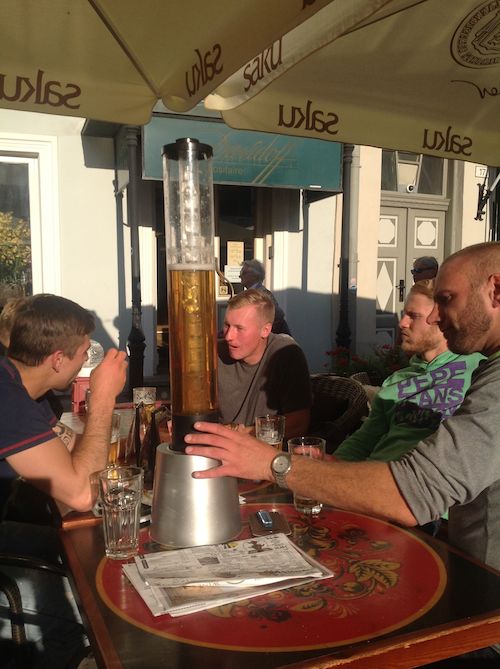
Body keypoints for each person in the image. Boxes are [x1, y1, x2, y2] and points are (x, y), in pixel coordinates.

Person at [0, 293, 127, 668]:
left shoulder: (23, 389)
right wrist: (102, 398)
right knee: (91, 608)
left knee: (92, 557)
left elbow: (70, 452)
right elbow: (80, 491)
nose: (88, 363)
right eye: (84, 354)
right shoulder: (7, 399)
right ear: (58, 359)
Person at [335, 280, 483, 463]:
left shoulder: (481, 369)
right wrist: (328, 467)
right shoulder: (396, 381)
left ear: (441, 319)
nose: (403, 323)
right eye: (405, 314)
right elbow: (362, 442)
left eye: (414, 316)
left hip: (434, 483)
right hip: (375, 479)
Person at [218, 289, 311, 439]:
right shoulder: (215, 353)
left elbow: (298, 425)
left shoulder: (285, 353)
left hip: (267, 454)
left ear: (265, 330)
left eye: (239, 328)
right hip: (217, 448)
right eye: (227, 325)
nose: (228, 336)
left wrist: (244, 434)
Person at [239, 259, 291, 334]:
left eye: (243, 273)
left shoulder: (263, 294)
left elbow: (278, 316)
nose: (240, 276)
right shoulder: (251, 293)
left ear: (254, 276)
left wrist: (263, 338)